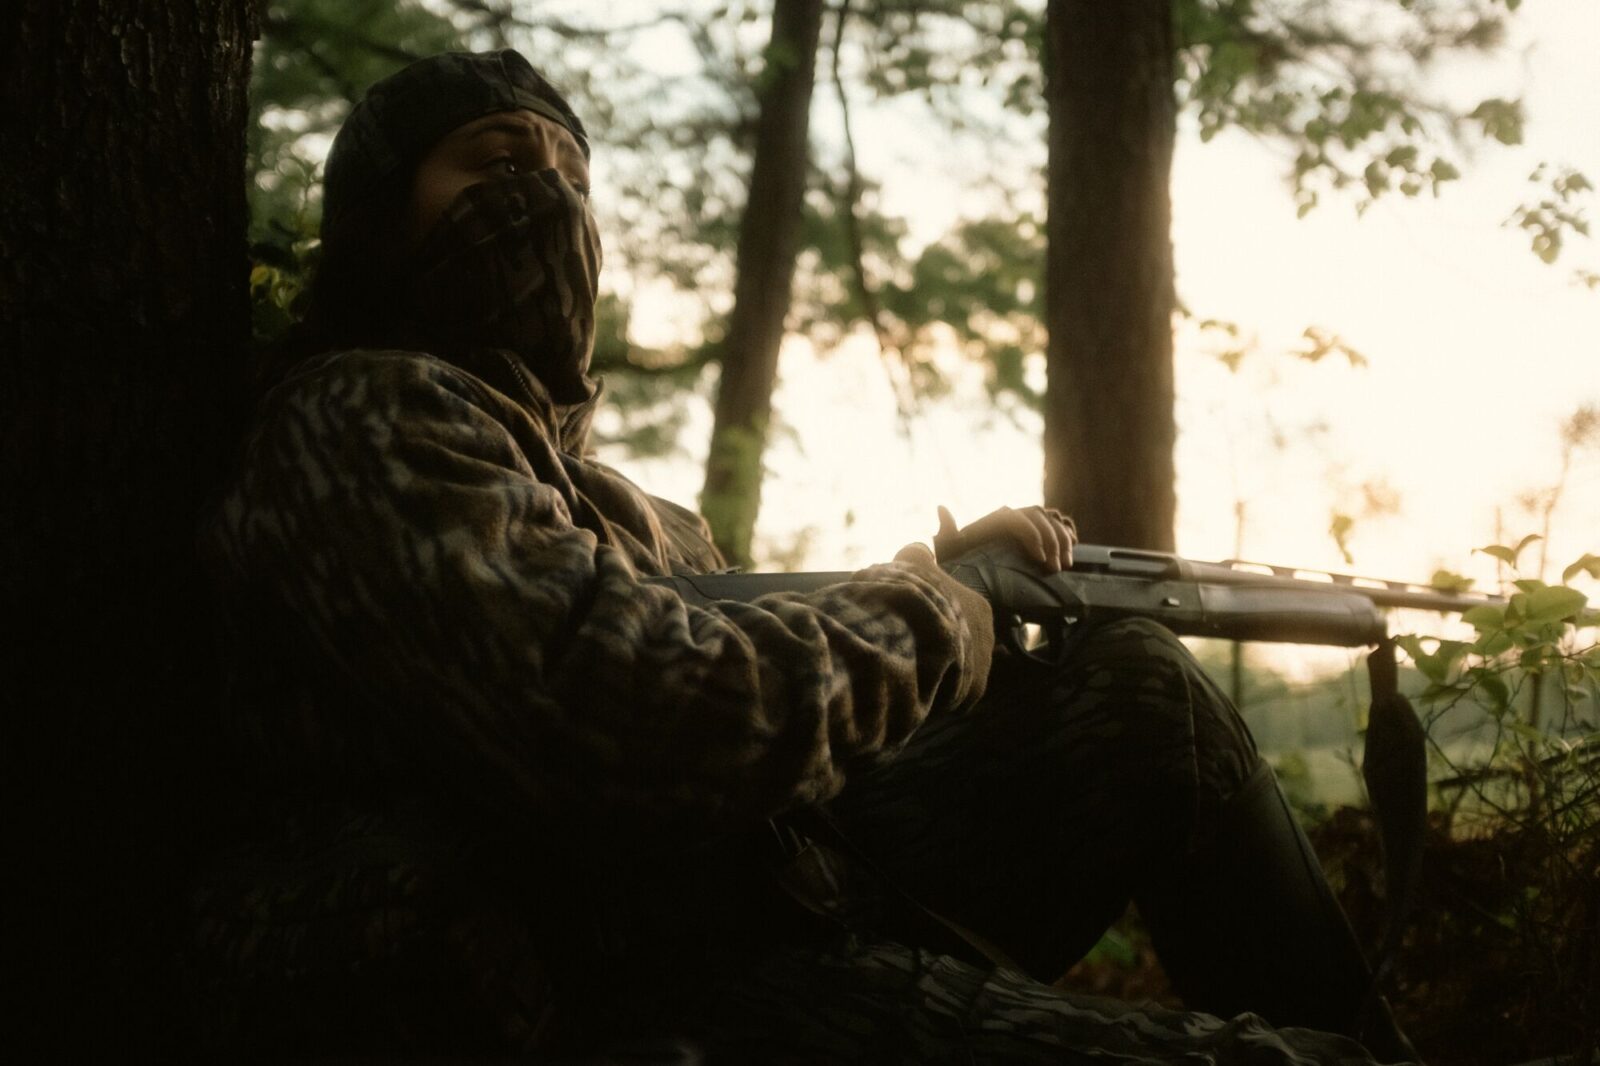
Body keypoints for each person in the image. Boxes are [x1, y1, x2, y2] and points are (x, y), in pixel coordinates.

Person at [190, 48, 1419, 1064]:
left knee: (1142, 684)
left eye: (569, 168)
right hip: (640, 987)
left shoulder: (626, 505)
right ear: (382, 215)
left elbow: (761, 674)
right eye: (498, 162)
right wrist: (940, 613)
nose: (547, 193)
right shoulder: (362, 414)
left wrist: (941, 575)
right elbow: (640, 709)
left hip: (784, 897)